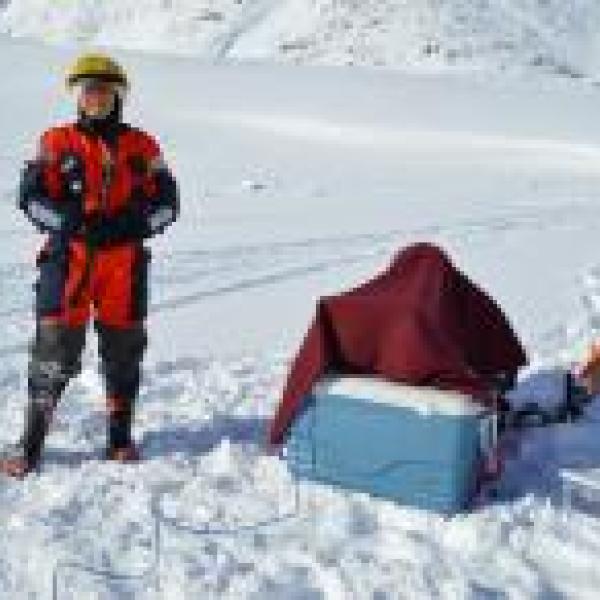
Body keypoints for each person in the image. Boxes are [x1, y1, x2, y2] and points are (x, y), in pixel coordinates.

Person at [0, 53, 179, 477]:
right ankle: (30, 442)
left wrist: (133, 224)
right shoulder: (56, 141)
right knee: (53, 350)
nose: (93, 99)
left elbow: (169, 205)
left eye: (101, 92)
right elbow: (31, 199)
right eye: (86, 92)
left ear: (118, 96)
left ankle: (119, 437)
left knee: (124, 352)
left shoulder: (143, 145)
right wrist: (72, 223)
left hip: (125, 265)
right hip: (70, 263)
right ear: (77, 97)